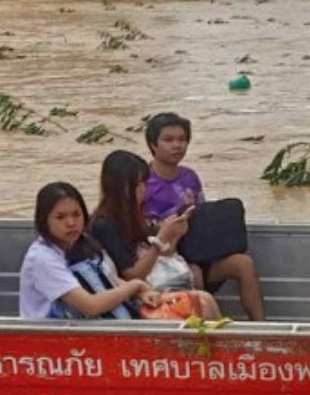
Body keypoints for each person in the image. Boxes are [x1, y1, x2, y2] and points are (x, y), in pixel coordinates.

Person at [144, 112, 266, 320]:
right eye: (168, 140)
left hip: (199, 251)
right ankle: (205, 335)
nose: (177, 146)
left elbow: (202, 215)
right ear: (153, 144)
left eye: (182, 140)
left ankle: (261, 328)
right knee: (195, 274)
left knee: (243, 263)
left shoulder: (189, 176)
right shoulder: (144, 183)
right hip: (166, 259)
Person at [20, 182, 182, 321]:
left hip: (97, 323)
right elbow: (91, 305)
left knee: (201, 301)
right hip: (56, 337)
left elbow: (110, 279)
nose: (71, 223)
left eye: (77, 215)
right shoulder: (43, 257)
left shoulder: (82, 242)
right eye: (60, 217)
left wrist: (142, 292)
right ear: (44, 221)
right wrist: (135, 285)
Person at [89, 150, 221, 321]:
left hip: (148, 285)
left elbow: (154, 254)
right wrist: (160, 240)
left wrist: (174, 234)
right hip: (133, 295)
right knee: (204, 301)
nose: (145, 189)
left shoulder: (130, 215)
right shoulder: (105, 225)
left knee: (201, 294)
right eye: (139, 184)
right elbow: (133, 274)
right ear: (122, 187)